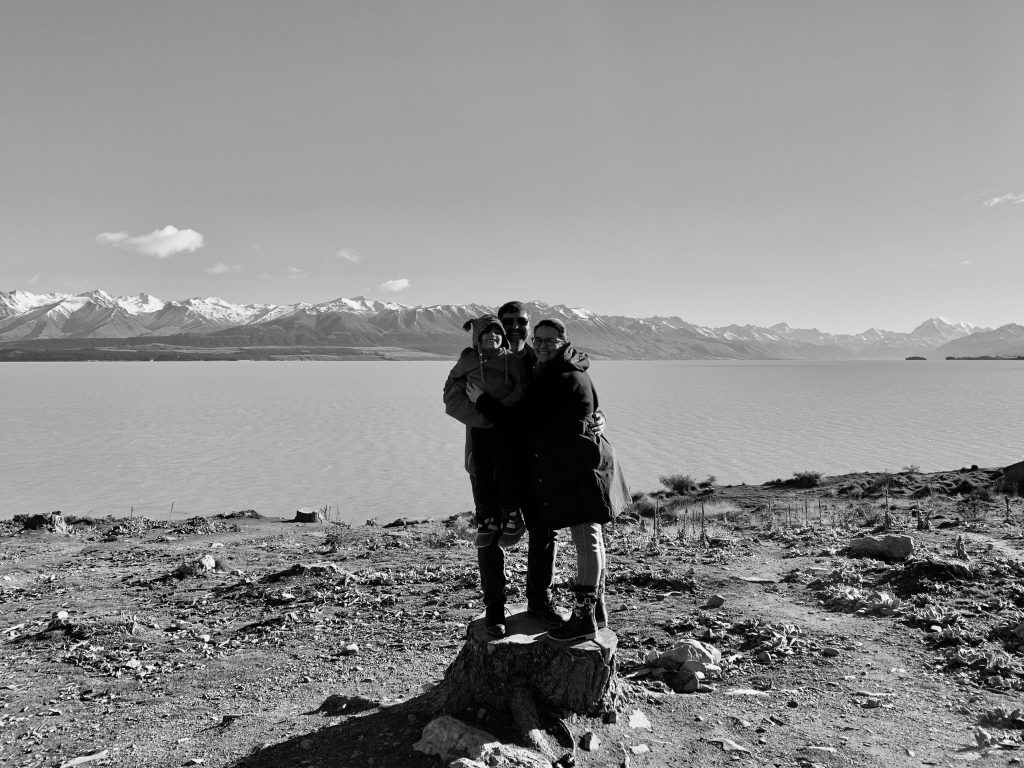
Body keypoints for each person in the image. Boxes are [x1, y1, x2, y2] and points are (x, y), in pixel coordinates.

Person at [470, 317, 624, 642]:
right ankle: (594, 612)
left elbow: (524, 420)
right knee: (588, 537)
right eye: (538, 339)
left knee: (586, 537)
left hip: (579, 467)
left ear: (563, 341)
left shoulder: (561, 374)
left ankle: (585, 617)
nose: (540, 344)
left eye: (548, 340)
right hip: (561, 465)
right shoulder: (545, 367)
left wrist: (482, 401)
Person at [443, 314, 529, 550]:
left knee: (505, 470)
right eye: (486, 333)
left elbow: (521, 389)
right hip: (482, 428)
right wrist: (483, 417)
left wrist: (496, 410)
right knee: (481, 471)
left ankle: (513, 515)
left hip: (505, 427)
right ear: (476, 338)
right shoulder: (468, 359)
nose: (493, 336)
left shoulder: (511, 360)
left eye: (497, 332)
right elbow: (452, 387)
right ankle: (486, 520)